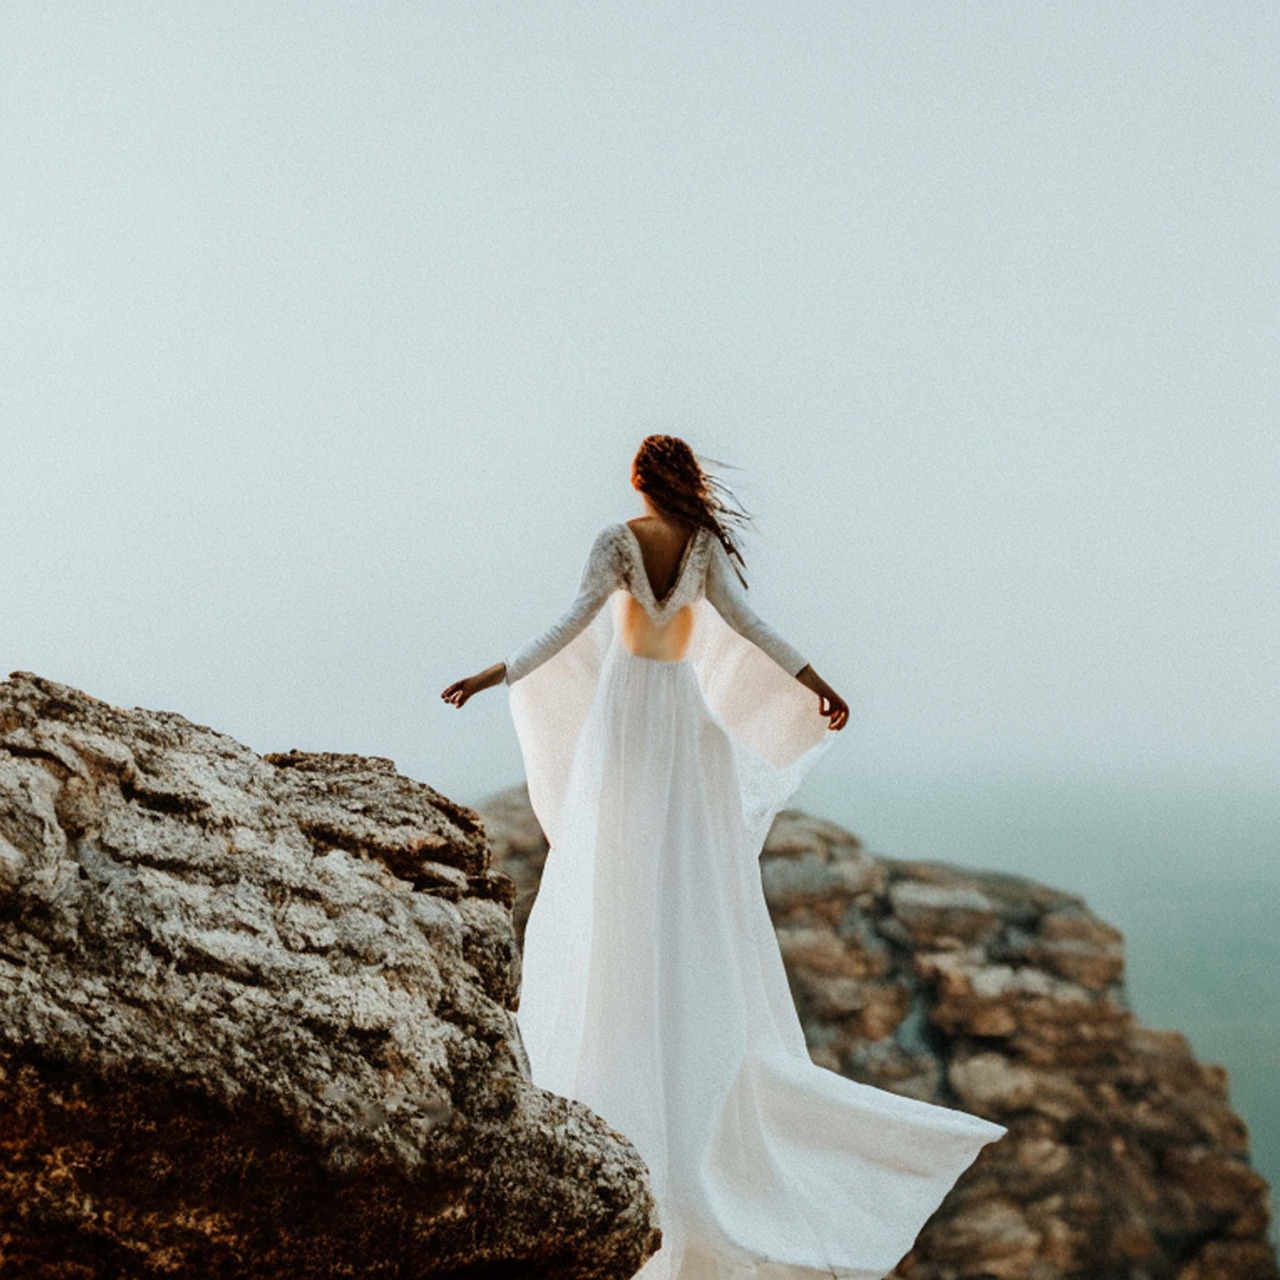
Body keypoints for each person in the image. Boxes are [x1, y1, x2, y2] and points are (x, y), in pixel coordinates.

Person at [442, 436, 1006, 1279]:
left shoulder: (617, 541)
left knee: (620, 873)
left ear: (640, 478)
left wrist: (493, 677)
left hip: (629, 717)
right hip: (681, 714)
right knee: (681, 879)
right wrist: (820, 682)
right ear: (684, 479)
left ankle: (628, 1015)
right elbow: (750, 627)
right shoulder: (702, 546)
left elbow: (570, 625)